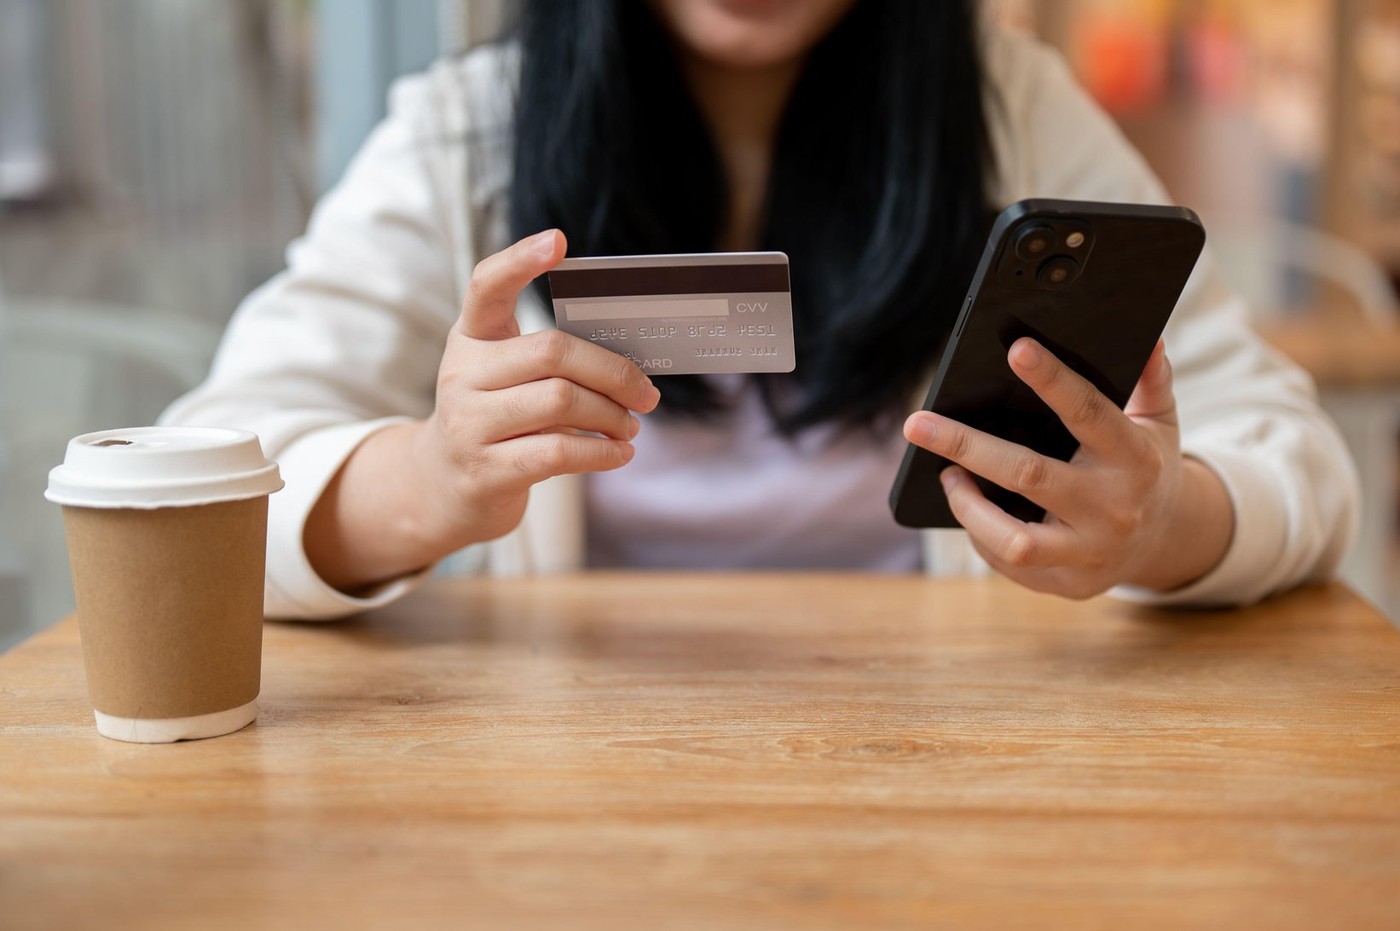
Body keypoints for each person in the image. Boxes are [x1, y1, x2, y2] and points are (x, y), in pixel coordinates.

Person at [161, 0, 1358, 619]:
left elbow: (1296, 466)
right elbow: (194, 497)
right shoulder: (459, 133)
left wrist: (1151, 525)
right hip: (553, 787)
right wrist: (423, 481)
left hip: (958, 772)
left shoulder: (1013, 111)